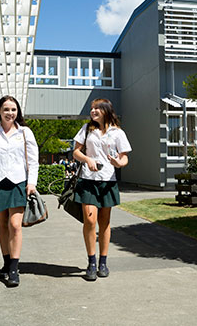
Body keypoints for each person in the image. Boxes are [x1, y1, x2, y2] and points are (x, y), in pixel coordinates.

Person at [0, 95, 39, 287]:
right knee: (2, 225)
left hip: (19, 182)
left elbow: (33, 160)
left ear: (18, 112)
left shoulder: (25, 132)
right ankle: (6, 262)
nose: (10, 113)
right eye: (6, 109)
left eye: (13, 109)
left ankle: (14, 268)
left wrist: (32, 183)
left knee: (15, 225)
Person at [72, 98, 131, 281]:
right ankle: (91, 262)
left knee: (104, 223)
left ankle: (103, 262)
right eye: (92, 108)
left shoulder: (117, 133)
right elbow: (76, 152)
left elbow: (124, 158)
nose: (93, 111)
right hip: (88, 180)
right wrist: (87, 159)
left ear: (106, 110)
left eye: (97, 108)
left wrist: (118, 163)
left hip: (108, 181)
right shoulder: (86, 129)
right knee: (90, 221)